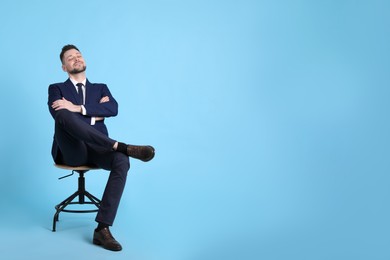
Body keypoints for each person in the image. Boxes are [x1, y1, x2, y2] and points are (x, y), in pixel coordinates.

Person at [48, 44, 155, 251]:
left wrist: (78, 108)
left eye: (78, 55)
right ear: (64, 67)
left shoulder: (101, 88)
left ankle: (102, 229)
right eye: (70, 58)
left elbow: (112, 108)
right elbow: (60, 115)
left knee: (122, 160)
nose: (76, 59)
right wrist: (96, 113)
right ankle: (120, 145)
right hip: (72, 150)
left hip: (98, 147)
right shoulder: (56, 88)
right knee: (62, 115)